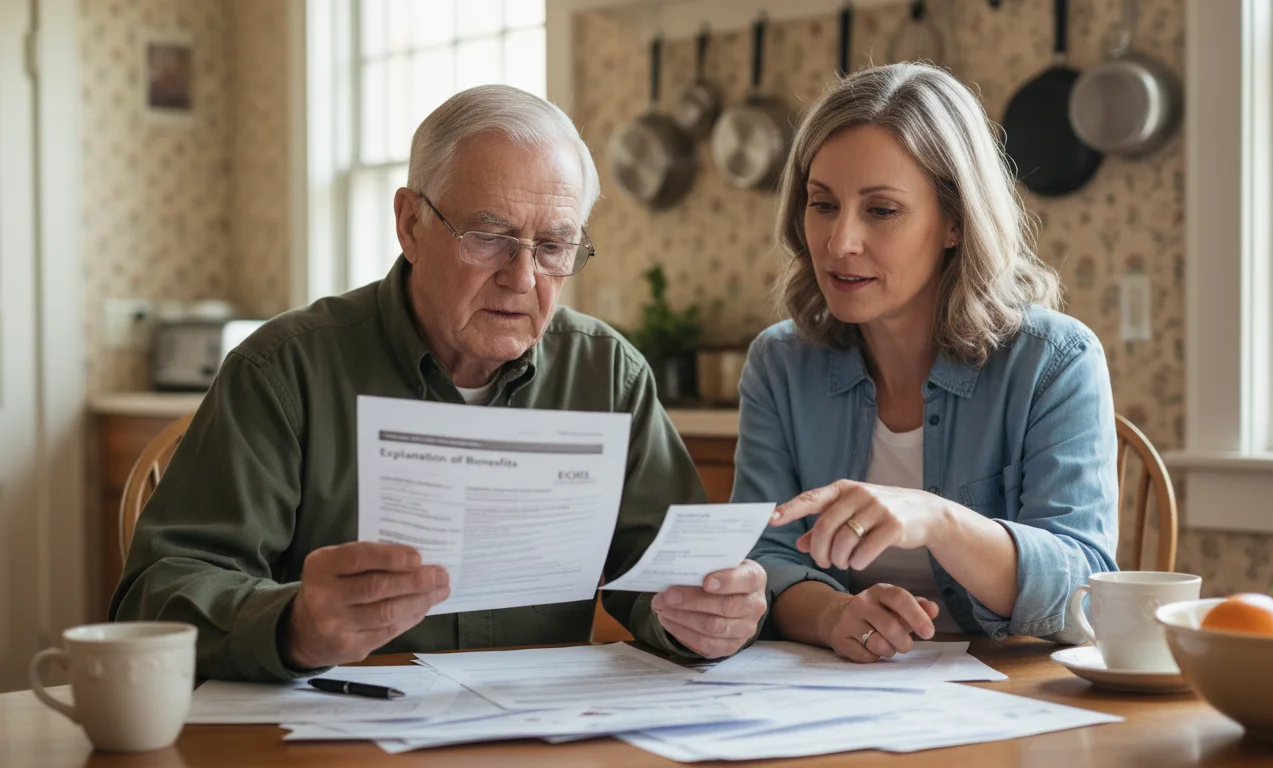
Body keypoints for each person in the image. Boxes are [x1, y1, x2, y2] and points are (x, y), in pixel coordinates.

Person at [112, 85, 767, 681]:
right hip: (333, 735)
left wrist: (705, 613)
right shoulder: (283, 370)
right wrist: (293, 624)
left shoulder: (607, 374)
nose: (522, 277)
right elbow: (158, 591)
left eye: (553, 246)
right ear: (410, 225)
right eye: (489, 235)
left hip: (538, 738)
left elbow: (663, 580)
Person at [735, 63, 1119, 663]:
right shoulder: (780, 365)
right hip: (835, 690)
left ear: (955, 223)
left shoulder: (1055, 361)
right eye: (823, 204)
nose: (839, 243)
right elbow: (764, 555)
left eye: (881, 210)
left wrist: (939, 520)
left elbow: (1087, 594)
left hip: (1013, 698)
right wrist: (834, 613)